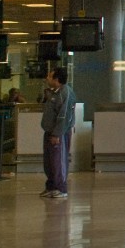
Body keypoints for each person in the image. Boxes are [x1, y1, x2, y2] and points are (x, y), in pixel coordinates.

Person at [41, 67, 75, 199]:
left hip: (59, 133)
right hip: (49, 131)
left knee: (58, 160)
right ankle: (51, 186)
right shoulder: (54, 93)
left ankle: (61, 187)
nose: (47, 79)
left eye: (50, 77)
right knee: (49, 161)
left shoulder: (65, 94)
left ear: (56, 79)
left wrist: (57, 134)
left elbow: (64, 116)